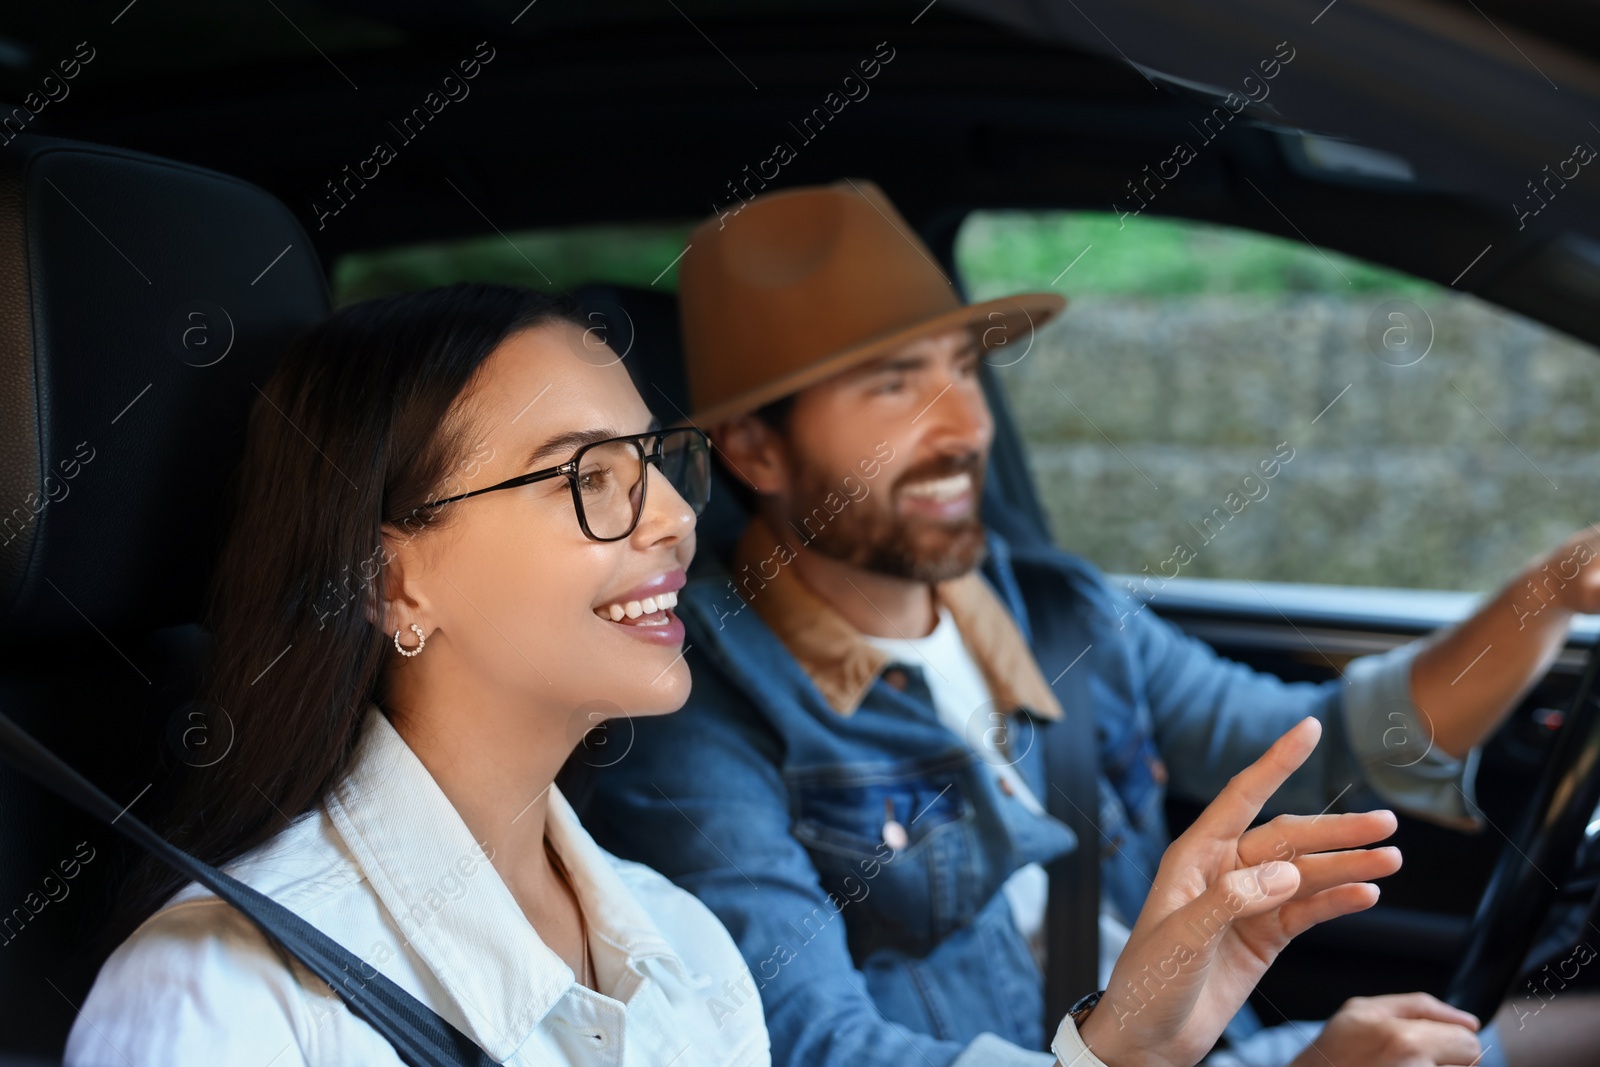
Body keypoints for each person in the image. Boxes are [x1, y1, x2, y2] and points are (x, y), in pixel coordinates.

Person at [585, 181, 1600, 1067]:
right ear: (756, 452)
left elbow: (1333, 749)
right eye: (895, 384)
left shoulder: (1054, 602)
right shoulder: (697, 714)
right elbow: (810, 1044)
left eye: (962, 368)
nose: (964, 426)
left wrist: (1550, 590)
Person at [63, 283, 767, 1065]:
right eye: (587, 477)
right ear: (391, 584)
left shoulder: (687, 944)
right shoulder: (229, 992)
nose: (676, 516)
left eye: (654, 460)